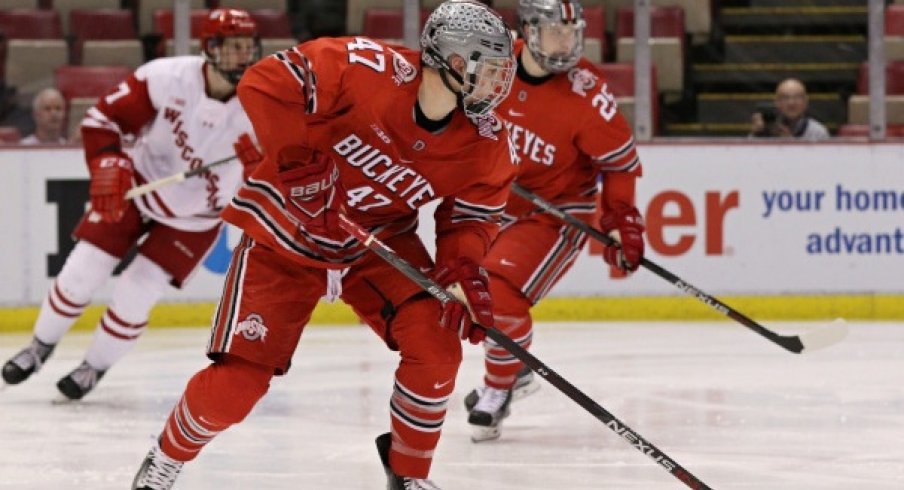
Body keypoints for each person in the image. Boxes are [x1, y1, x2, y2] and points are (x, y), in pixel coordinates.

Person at [130, 2, 517, 489]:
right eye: (489, 69)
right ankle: (167, 456)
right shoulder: (364, 68)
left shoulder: (486, 142)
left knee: (436, 346)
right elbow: (265, 82)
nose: (498, 85)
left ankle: (408, 473)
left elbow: (471, 216)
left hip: (375, 244)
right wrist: (297, 162)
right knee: (238, 384)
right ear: (451, 61)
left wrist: (461, 268)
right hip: (287, 231)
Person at [1, 9, 262, 401]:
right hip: (141, 186)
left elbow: (287, 175)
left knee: (138, 292)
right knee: (82, 270)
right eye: (235, 46)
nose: (245, 55)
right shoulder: (168, 77)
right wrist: (109, 162)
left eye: (249, 46)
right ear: (211, 47)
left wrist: (260, 172)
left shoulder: (262, 107)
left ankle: (94, 366)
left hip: (196, 218)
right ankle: (40, 346)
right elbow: (103, 120)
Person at [461, 0, 646, 442]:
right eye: (555, 32)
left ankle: (498, 387)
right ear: (528, 30)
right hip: (491, 206)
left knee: (499, 296)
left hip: (555, 214)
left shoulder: (585, 92)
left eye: (571, 32)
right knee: (465, 294)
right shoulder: (493, 67)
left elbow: (619, 164)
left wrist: (621, 219)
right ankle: (516, 370)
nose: (566, 43)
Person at [750, 77, 829, 141]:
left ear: (805, 102)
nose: (791, 103)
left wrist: (790, 142)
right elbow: (749, 157)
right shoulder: (766, 128)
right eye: (785, 98)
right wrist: (755, 134)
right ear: (777, 102)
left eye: (797, 97)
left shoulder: (818, 132)